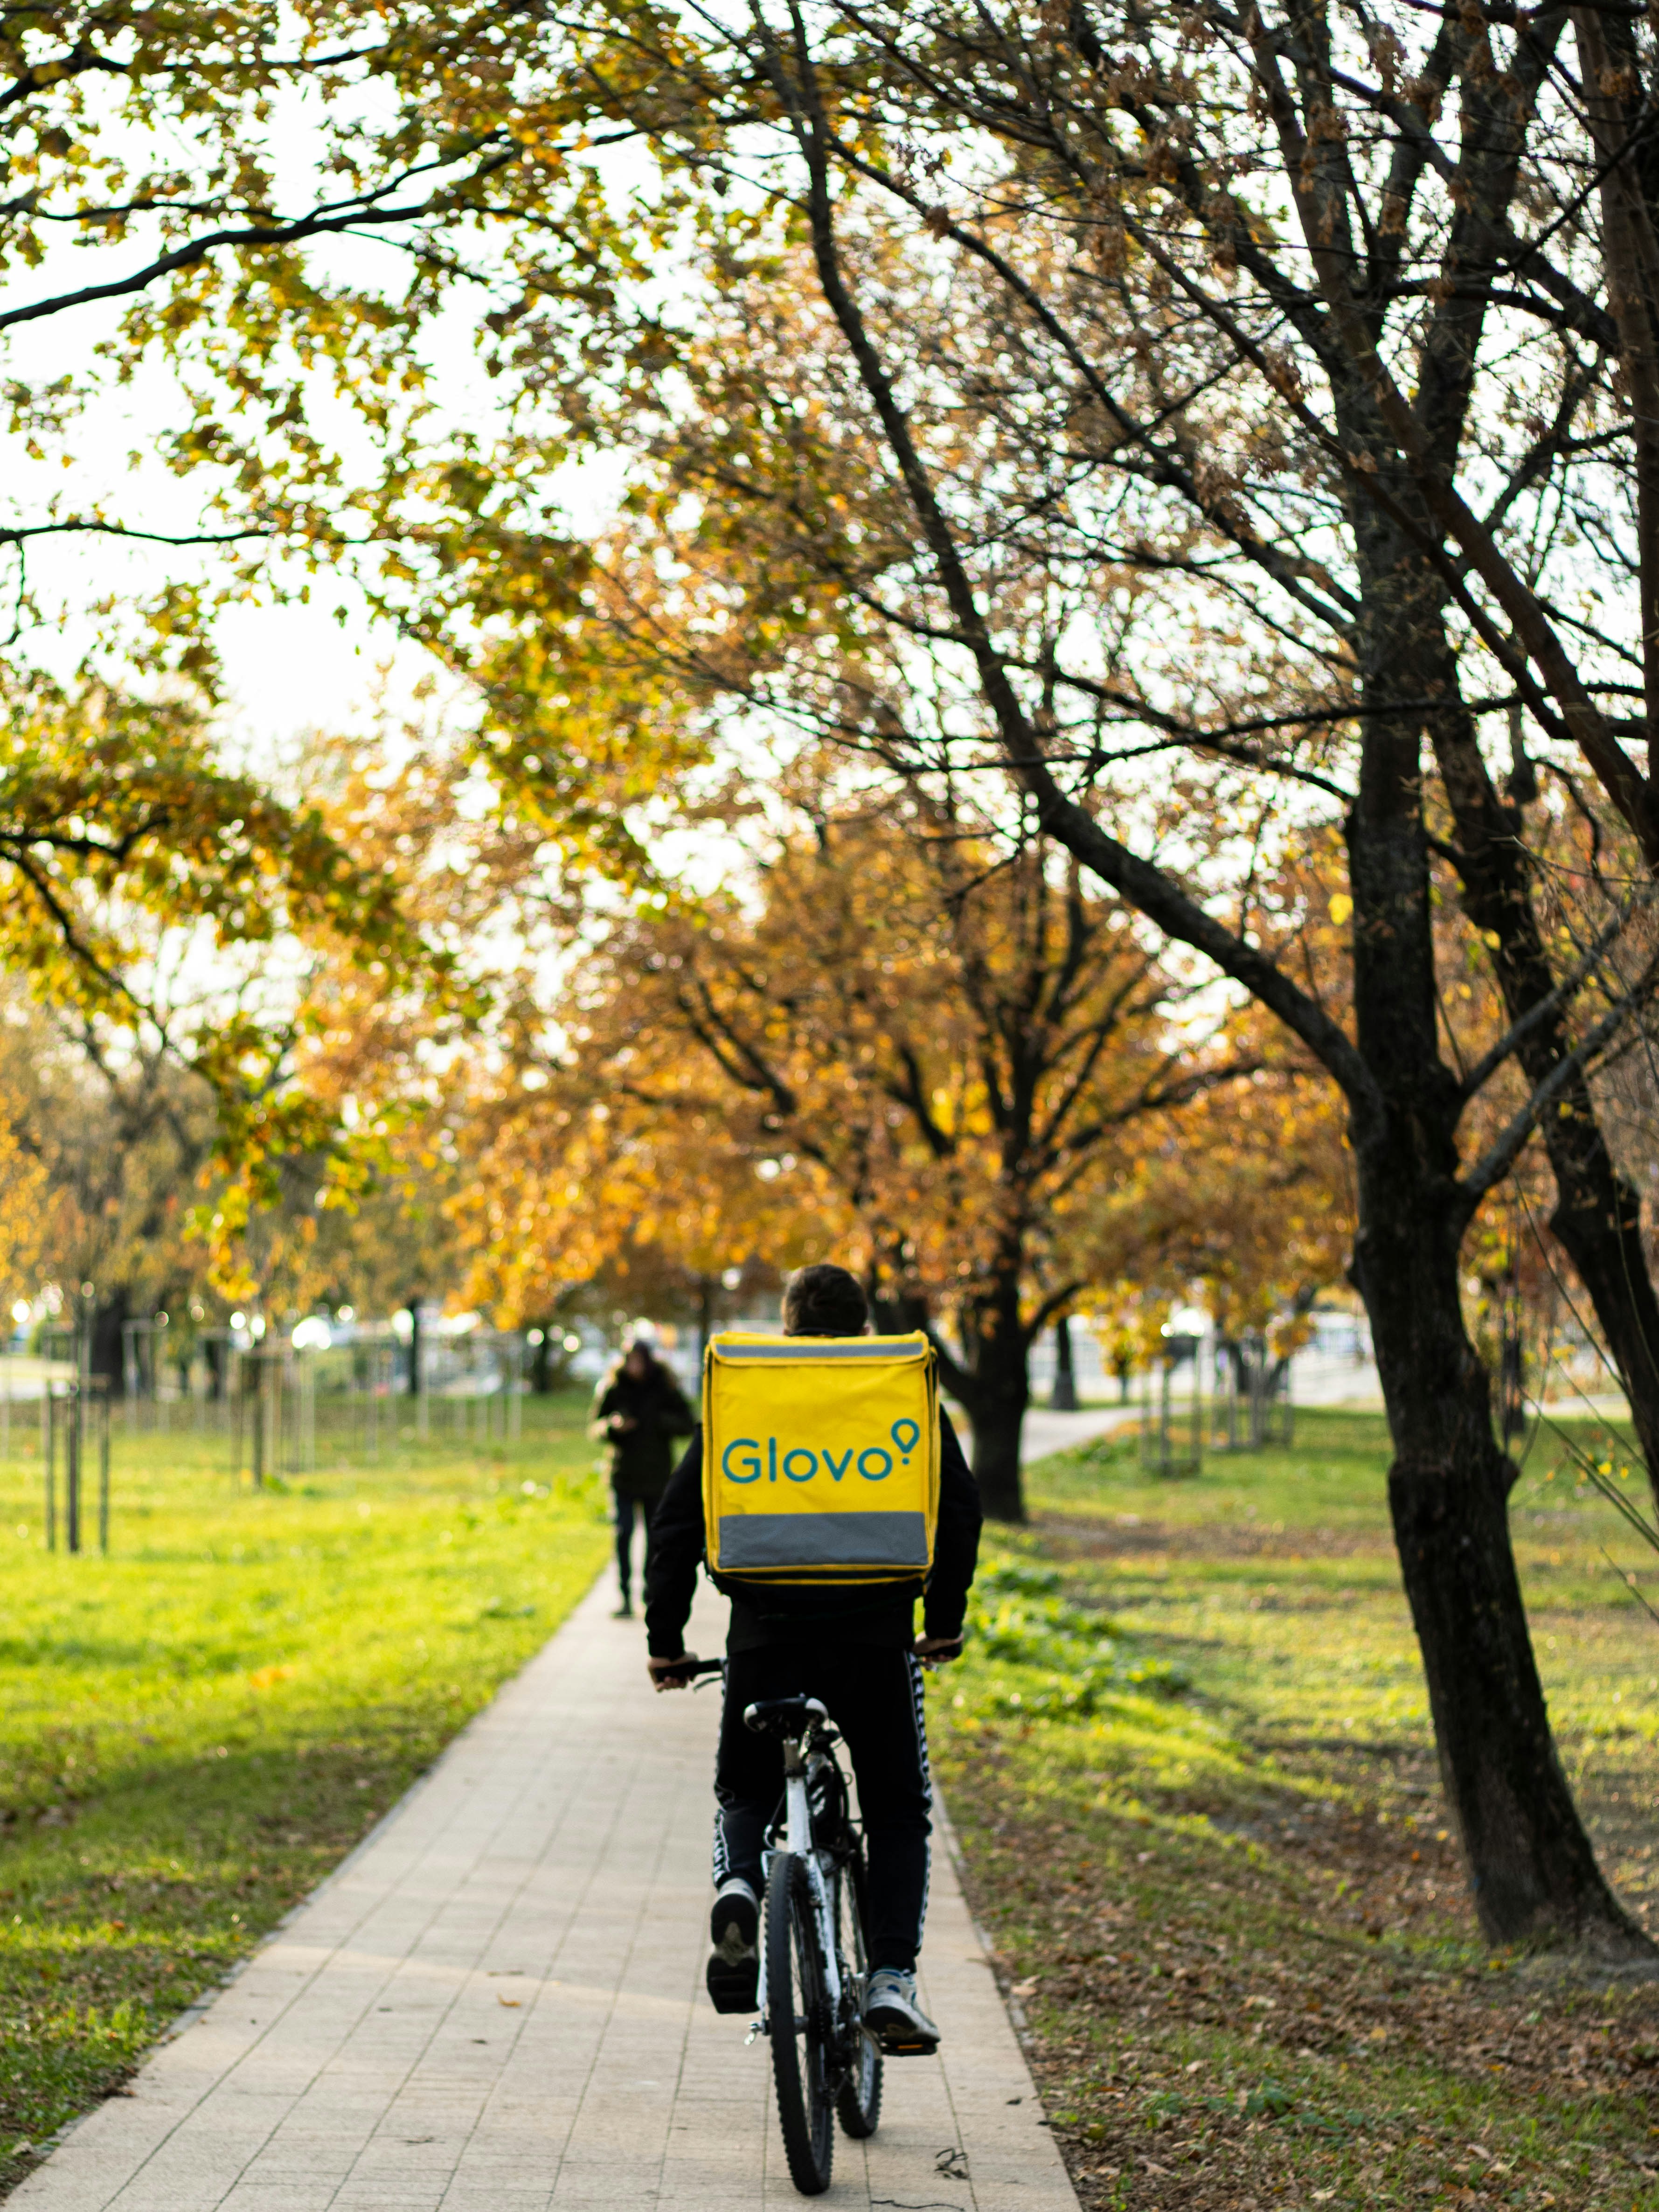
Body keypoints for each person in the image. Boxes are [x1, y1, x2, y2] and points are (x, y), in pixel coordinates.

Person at [645, 1264, 981, 2056]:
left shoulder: (746, 1399)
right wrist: (943, 1619)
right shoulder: (900, 1393)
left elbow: (673, 1527)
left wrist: (666, 1640)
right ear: (864, 1329)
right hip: (876, 1639)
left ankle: (738, 1887)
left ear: (789, 1329)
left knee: (744, 1789)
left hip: (766, 1640)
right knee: (898, 1808)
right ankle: (891, 1977)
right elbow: (959, 1511)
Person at [590, 1338, 697, 1620]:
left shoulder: (665, 1388)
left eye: (640, 1361)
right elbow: (596, 1426)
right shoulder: (614, 1388)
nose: (635, 1367)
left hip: (657, 1477)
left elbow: (689, 1423)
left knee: (654, 1537)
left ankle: (650, 1593)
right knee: (623, 1533)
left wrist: (659, 1422)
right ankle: (624, 1595)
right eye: (631, 1361)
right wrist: (613, 1427)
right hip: (623, 1475)